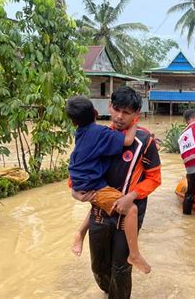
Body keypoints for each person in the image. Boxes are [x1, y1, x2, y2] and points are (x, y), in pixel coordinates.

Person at [71, 87, 161, 299]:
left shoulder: (145, 141)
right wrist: (75, 192)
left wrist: (131, 196)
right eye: (117, 109)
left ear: (136, 113)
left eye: (127, 112)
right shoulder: (97, 135)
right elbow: (78, 164)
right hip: (100, 212)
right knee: (99, 267)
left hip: (127, 215)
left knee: (120, 269)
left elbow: (154, 179)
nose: (120, 116)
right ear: (109, 107)